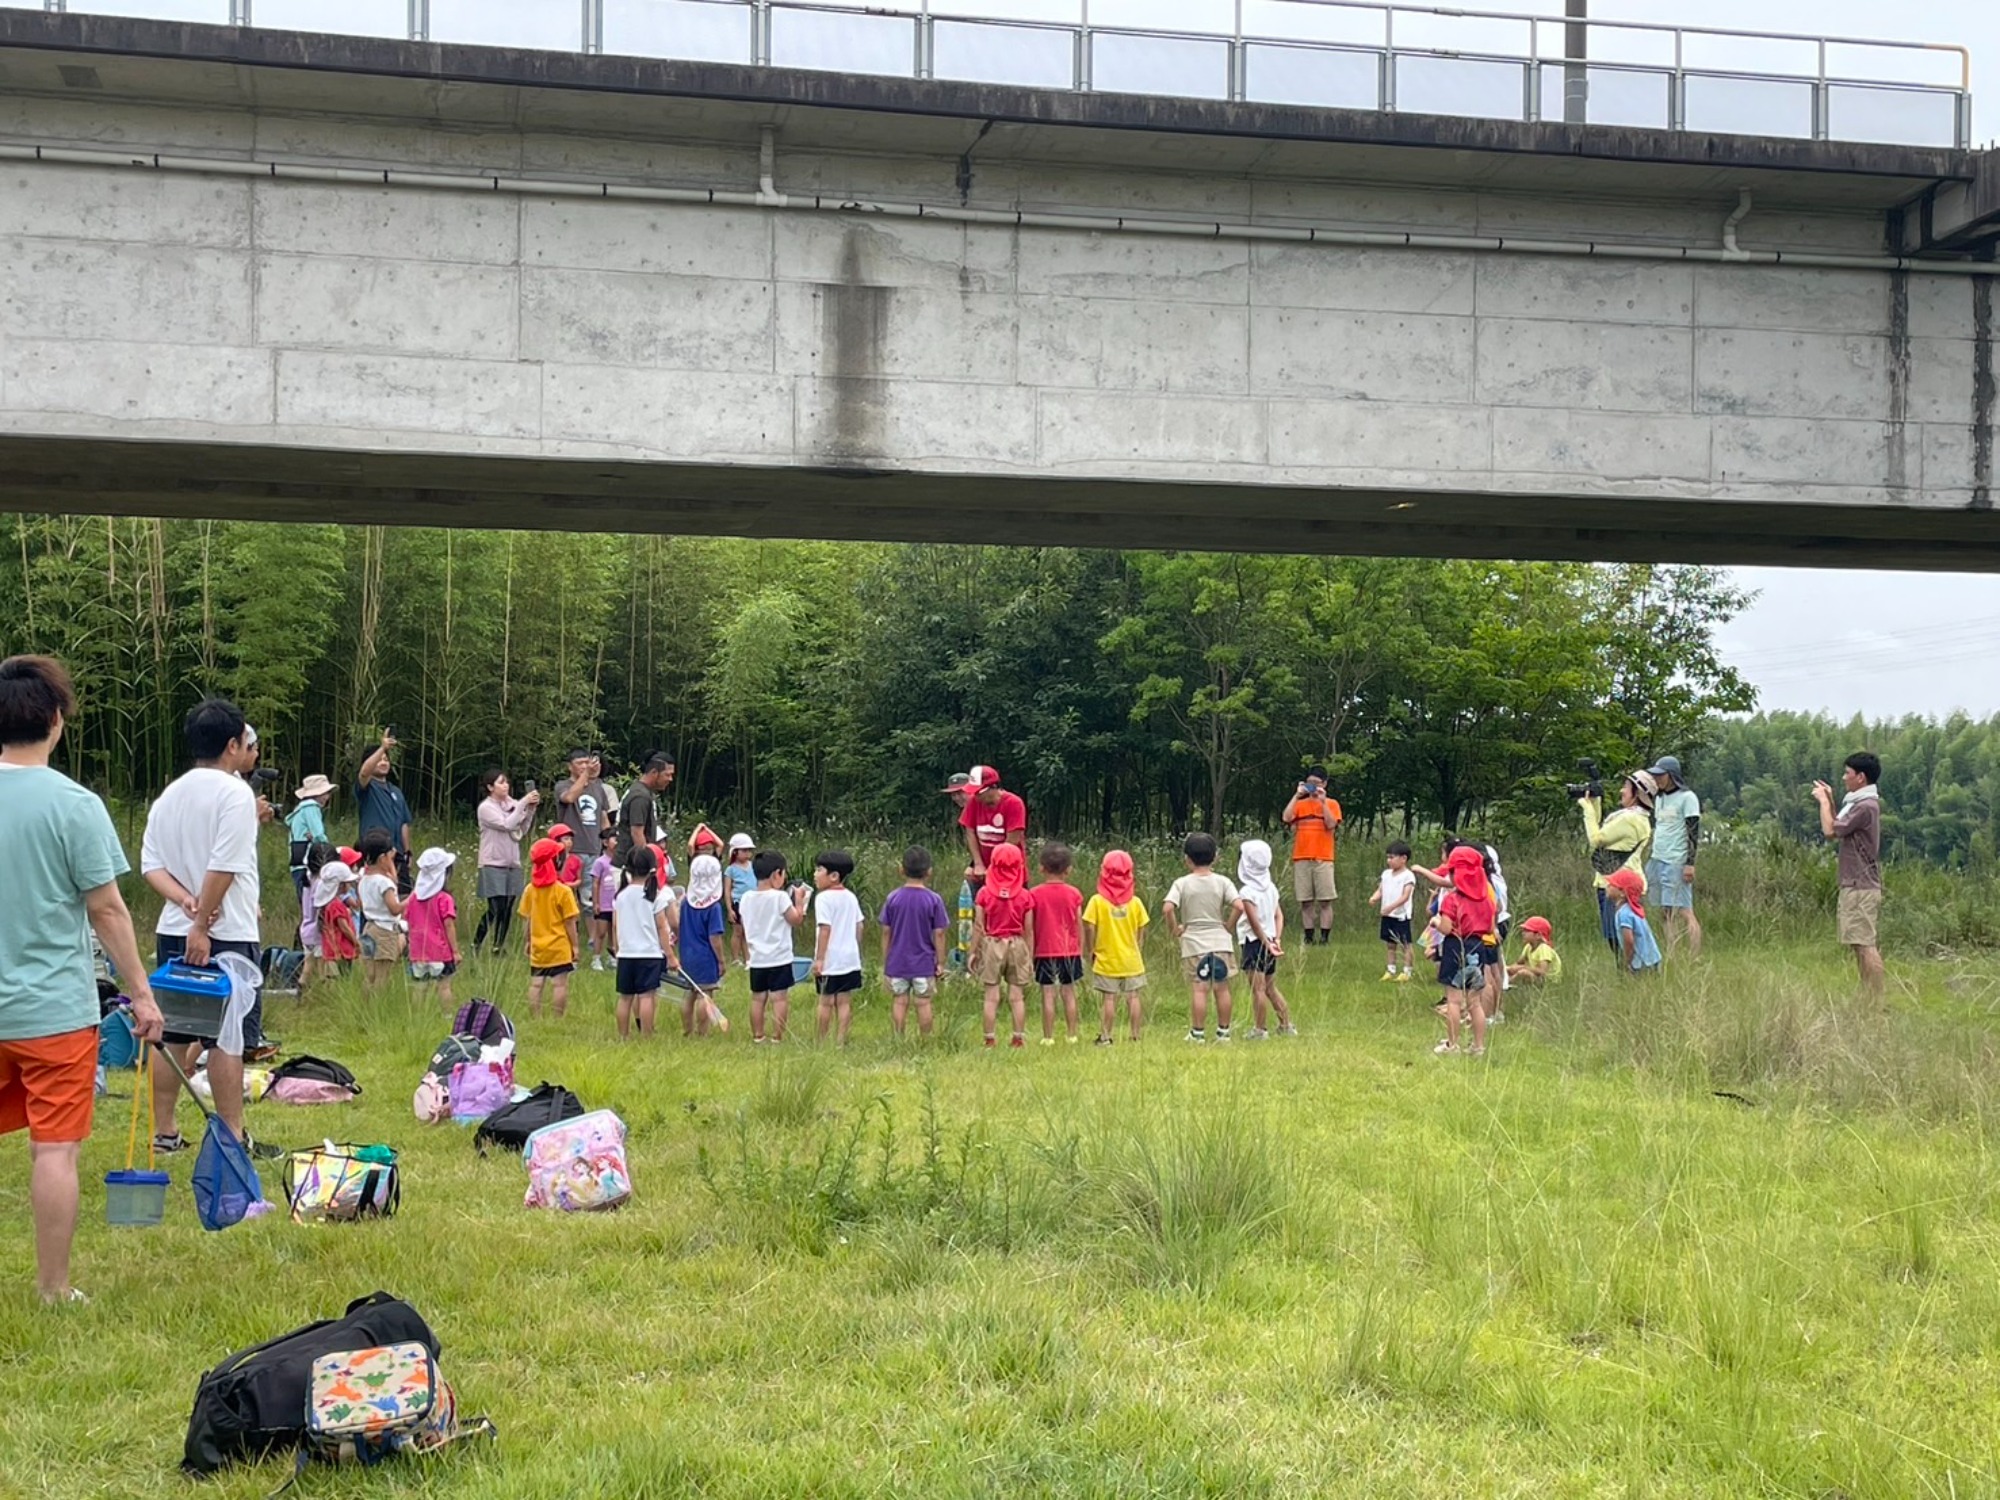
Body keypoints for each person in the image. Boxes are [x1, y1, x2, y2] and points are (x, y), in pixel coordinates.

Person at [0, 655, 163, 1303]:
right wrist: (142, 995)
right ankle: (52, 1287)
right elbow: (105, 911)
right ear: (57, 721)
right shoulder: (75, 804)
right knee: (54, 1152)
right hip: (55, 1015)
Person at [140, 697, 271, 1156]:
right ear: (233, 744)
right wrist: (201, 923)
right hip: (224, 932)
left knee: (174, 1033)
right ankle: (232, 1136)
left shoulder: (169, 794)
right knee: (224, 1037)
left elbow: (150, 865)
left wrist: (183, 901)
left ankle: (165, 1132)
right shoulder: (234, 792)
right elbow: (226, 864)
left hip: (174, 926)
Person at [1164, 831, 1264, 1044]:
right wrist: (1228, 925)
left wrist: (1176, 929)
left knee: (1199, 988)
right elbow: (1239, 905)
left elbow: (1167, 908)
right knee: (1221, 988)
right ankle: (1223, 1033)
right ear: (1215, 857)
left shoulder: (1182, 883)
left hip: (1193, 943)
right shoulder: (1223, 882)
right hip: (1220, 941)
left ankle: (1198, 1033)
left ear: (1187, 860)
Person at [1814, 752, 1885, 998]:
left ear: (1861, 777)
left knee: (1865, 944)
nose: (1845, 778)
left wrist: (1823, 803)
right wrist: (1832, 801)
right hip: (1856, 884)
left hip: (1861, 885)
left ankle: (1875, 999)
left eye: (1848, 773)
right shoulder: (1858, 804)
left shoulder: (1865, 807)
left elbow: (1829, 830)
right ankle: (1867, 996)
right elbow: (1838, 826)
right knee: (1858, 943)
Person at [1429, 844, 1496, 1057]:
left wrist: (1435, 921)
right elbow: (1490, 927)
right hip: (1478, 947)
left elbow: (1447, 928)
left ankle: (1452, 1044)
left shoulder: (1452, 900)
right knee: (1475, 1002)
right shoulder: (1486, 899)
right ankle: (1478, 1046)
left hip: (1455, 948)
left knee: (1454, 1001)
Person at [1579, 769, 1655, 954]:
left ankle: (1630, 974)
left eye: (1626, 788)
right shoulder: (1633, 818)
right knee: (1615, 938)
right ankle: (1630, 973)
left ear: (1637, 794)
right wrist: (1595, 801)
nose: (1622, 791)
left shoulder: (1631, 820)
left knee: (1618, 939)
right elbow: (1600, 830)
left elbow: (1596, 839)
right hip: (1615, 882)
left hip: (1619, 886)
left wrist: (1586, 808)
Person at [880, 845, 950, 1039]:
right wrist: (941, 962)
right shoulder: (934, 900)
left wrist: (886, 960)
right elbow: (940, 933)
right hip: (924, 962)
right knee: (923, 1002)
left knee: (900, 1001)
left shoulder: (893, 898)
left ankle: (898, 1038)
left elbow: (886, 931)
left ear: (901, 870)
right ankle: (925, 1039)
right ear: (929, 872)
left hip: (897, 962)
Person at [972, 843, 1036, 1048]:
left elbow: (979, 925)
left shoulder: (983, 893)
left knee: (991, 996)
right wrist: (1030, 956)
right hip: (1017, 944)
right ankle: (1018, 1038)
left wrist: (973, 952)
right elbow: (1029, 930)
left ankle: (989, 1039)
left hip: (992, 943)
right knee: (1017, 997)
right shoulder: (1026, 896)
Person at [1082, 850, 1149, 1045]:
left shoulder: (1097, 901)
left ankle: (1106, 1036)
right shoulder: (1135, 903)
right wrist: (1137, 948)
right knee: (1133, 997)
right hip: (1131, 959)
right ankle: (1135, 1036)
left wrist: (1091, 948)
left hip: (1106, 959)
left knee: (1109, 999)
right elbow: (1141, 928)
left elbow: (1088, 925)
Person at [741, 850, 809, 1043]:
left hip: (757, 959)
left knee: (757, 998)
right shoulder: (780, 898)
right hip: (779, 957)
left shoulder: (746, 898)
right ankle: (777, 1036)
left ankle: (757, 1036)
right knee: (779, 998)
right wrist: (800, 902)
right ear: (776, 875)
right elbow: (795, 920)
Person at [473, 769, 539, 957]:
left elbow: (521, 830)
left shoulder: (515, 804)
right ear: (490, 787)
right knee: (495, 907)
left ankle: (498, 945)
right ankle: (477, 942)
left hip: (512, 862)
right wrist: (524, 803)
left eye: (506, 782)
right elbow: (507, 824)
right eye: (500, 782)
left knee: (508, 906)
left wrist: (530, 810)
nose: (505, 786)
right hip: (492, 862)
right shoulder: (486, 808)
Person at [1235, 838, 1295, 1039]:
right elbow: (1279, 916)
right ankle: (1286, 1025)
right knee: (1270, 987)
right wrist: (1276, 939)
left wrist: (1266, 942)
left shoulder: (1247, 892)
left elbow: (1253, 922)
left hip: (1255, 943)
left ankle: (1260, 1029)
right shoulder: (1271, 888)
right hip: (1269, 941)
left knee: (1258, 989)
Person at [611, 845, 672, 1040]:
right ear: (652, 869)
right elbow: (662, 927)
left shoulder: (620, 896)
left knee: (625, 997)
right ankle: (647, 1035)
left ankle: (623, 1036)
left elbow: (615, 925)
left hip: (626, 954)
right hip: (649, 954)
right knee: (646, 996)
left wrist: (617, 947)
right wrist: (670, 955)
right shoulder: (655, 896)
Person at [1028, 843, 1085, 1045]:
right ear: (1068, 869)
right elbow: (1078, 924)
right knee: (1069, 992)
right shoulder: (1074, 894)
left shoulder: (1033, 894)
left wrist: (1030, 953)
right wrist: (1081, 950)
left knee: (1048, 994)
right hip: (1070, 951)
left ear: (1041, 868)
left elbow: (1030, 927)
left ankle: (1048, 1036)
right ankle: (1071, 1034)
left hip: (1044, 951)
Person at [1646, 754, 1703, 958]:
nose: (1658, 779)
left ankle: (1694, 955)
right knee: (1665, 910)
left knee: (1684, 910)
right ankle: (1672, 951)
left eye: (1661, 775)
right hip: (1658, 858)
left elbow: (1693, 832)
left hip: (1676, 861)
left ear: (1671, 776)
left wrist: (1690, 863)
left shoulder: (1688, 798)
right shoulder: (1659, 798)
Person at [518, 837, 581, 1018]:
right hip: (559, 946)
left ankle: (535, 1017)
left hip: (538, 946)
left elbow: (527, 919)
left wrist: (528, 941)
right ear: (557, 861)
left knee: (536, 984)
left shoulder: (530, 890)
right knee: (559, 985)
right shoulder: (563, 891)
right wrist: (575, 946)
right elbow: (570, 922)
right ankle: (557, 1018)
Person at [1281, 766, 1342, 945]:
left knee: (1325, 900)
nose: (1313, 787)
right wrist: (1296, 795)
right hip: (1301, 857)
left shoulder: (1332, 804)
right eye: (1310, 783)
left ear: (1324, 784)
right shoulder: (1300, 804)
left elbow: (1331, 825)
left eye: (1316, 783)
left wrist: (1322, 802)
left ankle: (1324, 938)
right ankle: (1308, 938)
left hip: (1323, 857)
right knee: (1305, 901)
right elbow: (1286, 817)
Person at [810, 850, 866, 1047]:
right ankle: (841, 1041)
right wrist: (855, 950)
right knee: (844, 1001)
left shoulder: (823, 898)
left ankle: (821, 1041)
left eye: (819, 870)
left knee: (825, 1002)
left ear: (834, 876)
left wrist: (819, 959)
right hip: (849, 959)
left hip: (830, 959)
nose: (815, 874)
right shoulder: (851, 897)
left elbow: (825, 929)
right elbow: (860, 925)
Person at [354, 729, 413, 894]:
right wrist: (382, 747)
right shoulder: (367, 787)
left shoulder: (396, 791)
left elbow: (404, 823)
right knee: (376, 894)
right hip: (375, 852)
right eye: (379, 760)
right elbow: (364, 772)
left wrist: (407, 851)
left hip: (397, 853)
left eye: (386, 759)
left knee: (402, 894)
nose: (383, 762)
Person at [678, 848, 730, 1025]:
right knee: (704, 994)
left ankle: (687, 1029)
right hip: (706, 957)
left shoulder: (685, 902)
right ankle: (702, 1032)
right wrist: (721, 960)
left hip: (686, 954)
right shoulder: (713, 907)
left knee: (689, 993)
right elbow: (715, 937)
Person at [954, 765, 1027, 890]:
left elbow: (1012, 841)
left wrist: (993, 869)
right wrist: (977, 864)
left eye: (978, 792)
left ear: (992, 788)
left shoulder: (1014, 803)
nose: (975, 796)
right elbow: (970, 832)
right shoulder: (974, 802)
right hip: (982, 870)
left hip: (1008, 870)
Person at [405, 847, 460, 1008]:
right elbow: (448, 925)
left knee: (419, 987)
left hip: (418, 952)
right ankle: (447, 1015)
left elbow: (408, 920)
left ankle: (417, 1016)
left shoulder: (413, 898)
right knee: (444, 986)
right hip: (440, 952)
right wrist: (455, 951)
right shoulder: (444, 898)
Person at [354, 831, 406, 989]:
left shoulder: (364, 879)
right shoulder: (384, 883)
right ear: (383, 858)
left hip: (369, 928)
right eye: (390, 857)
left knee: (369, 976)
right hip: (384, 931)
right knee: (382, 977)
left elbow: (362, 904)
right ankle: (376, 1010)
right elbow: (395, 909)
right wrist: (412, 898)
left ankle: (364, 1008)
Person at [552, 750, 615, 870]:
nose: (584, 766)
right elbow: (569, 798)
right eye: (579, 763)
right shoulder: (562, 785)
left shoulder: (598, 789)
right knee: (569, 887)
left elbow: (603, 819)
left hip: (594, 849)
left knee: (591, 887)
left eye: (587, 763)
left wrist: (609, 841)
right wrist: (586, 774)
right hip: (571, 848)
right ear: (570, 766)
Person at [1367, 840, 1418, 982]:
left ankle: (1407, 971)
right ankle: (1391, 969)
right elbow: (1381, 889)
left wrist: (1391, 907)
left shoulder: (1408, 876)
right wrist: (1374, 898)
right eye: (1388, 857)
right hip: (1387, 915)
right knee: (1390, 944)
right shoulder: (1386, 874)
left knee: (1405, 944)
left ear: (1403, 859)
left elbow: (1405, 896)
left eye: (1392, 857)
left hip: (1401, 916)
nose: (1389, 861)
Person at [311, 849, 360, 980]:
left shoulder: (327, 904)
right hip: (342, 951)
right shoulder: (336, 905)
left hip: (331, 951)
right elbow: (343, 926)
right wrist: (356, 942)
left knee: (334, 980)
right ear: (340, 885)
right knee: (343, 979)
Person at [1605, 867, 1662, 977]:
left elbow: (1629, 940)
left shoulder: (1624, 914)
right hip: (1652, 959)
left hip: (1642, 963)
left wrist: (1627, 961)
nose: (1607, 886)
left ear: (1622, 893)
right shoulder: (1633, 910)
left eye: (1612, 885)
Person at [618, 752, 675, 855]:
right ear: (654, 772)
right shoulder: (640, 797)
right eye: (667, 774)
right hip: (630, 865)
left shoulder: (643, 792)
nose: (670, 779)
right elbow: (637, 833)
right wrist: (646, 862)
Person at [285, 774, 333, 894]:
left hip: (297, 862)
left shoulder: (299, 810)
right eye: (325, 793)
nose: (327, 797)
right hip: (309, 863)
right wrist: (330, 852)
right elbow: (318, 835)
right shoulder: (311, 808)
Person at [724, 833, 758, 967]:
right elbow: (727, 891)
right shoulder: (730, 869)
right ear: (735, 852)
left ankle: (748, 959)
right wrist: (729, 909)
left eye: (749, 850)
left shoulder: (753, 866)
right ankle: (736, 959)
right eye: (744, 850)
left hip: (753, 902)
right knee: (738, 932)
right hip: (738, 903)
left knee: (749, 932)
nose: (747, 853)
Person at [587, 843, 619, 973]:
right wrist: (596, 902)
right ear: (605, 842)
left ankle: (612, 957)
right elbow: (595, 883)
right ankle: (596, 958)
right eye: (613, 839)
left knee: (614, 931)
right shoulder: (600, 862)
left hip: (615, 904)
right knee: (601, 932)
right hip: (604, 904)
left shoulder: (619, 861)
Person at [1507, 916, 1563, 985]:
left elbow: (1542, 972)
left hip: (1547, 981)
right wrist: (1510, 969)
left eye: (1527, 931)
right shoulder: (1528, 946)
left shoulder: (1544, 949)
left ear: (1538, 935)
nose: (1523, 933)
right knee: (1508, 969)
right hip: (1536, 976)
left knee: (1523, 973)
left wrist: (1523, 968)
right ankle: (1505, 981)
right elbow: (1519, 963)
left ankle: (1506, 984)